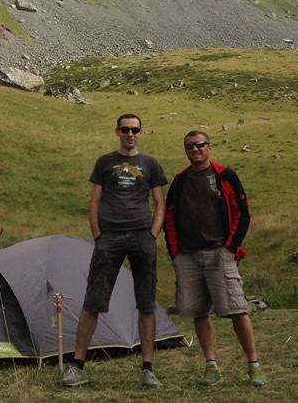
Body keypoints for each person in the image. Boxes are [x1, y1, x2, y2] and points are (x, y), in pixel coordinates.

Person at [62, 113, 167, 389]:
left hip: (142, 237)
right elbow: (94, 200)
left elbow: (160, 202)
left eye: (135, 129)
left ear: (141, 133)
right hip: (109, 237)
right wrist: (98, 234)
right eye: (125, 129)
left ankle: (147, 368)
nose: (130, 133)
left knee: (146, 301)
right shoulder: (105, 162)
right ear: (117, 131)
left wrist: (152, 233)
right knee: (93, 299)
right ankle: (77, 367)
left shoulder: (151, 163)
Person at [163, 130, 266, 387]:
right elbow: (169, 218)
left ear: (209, 147)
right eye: (190, 146)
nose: (195, 149)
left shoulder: (225, 175)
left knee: (237, 309)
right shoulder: (180, 181)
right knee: (198, 311)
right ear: (185, 150)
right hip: (188, 256)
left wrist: (230, 248)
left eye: (200, 144)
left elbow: (243, 213)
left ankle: (253, 365)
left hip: (220, 252)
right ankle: (211, 365)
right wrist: (175, 253)